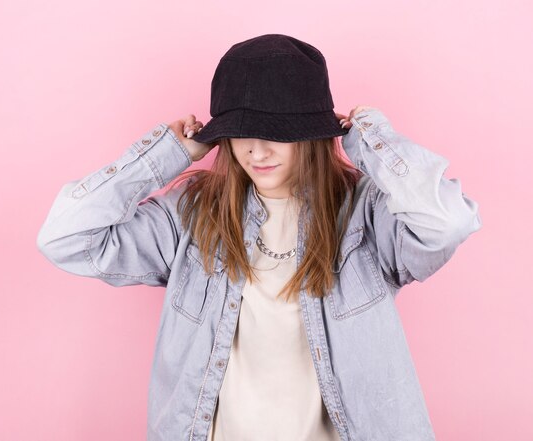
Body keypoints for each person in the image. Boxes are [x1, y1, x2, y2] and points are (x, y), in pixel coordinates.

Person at [36, 34, 482, 441]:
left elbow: (447, 223)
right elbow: (64, 237)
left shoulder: (364, 214)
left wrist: (370, 139)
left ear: (312, 135)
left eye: (277, 134)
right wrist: (160, 156)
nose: (257, 151)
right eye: (240, 133)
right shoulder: (192, 215)